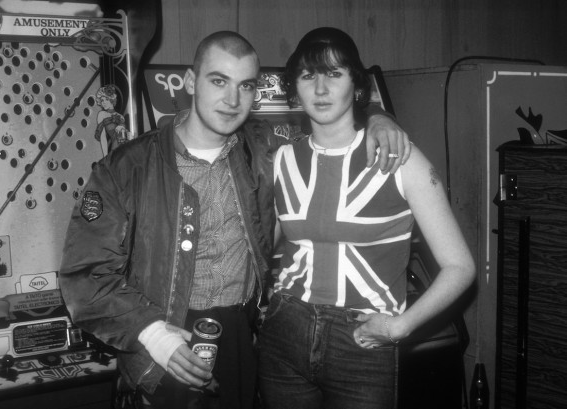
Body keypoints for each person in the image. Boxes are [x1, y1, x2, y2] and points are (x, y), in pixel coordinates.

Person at [59, 30, 410, 409]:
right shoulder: (126, 168)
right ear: (191, 82)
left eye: (245, 86)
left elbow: (334, 122)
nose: (232, 100)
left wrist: (378, 117)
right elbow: (85, 275)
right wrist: (156, 336)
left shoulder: (265, 150)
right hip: (159, 340)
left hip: (242, 339)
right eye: (218, 81)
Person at [258, 27, 475, 409]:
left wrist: (399, 327)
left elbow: (460, 267)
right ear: (294, 87)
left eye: (334, 73)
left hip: (362, 339)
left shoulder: (400, 159)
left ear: (357, 87)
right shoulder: (282, 160)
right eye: (308, 76)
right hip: (285, 333)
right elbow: (269, 245)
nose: (321, 89)